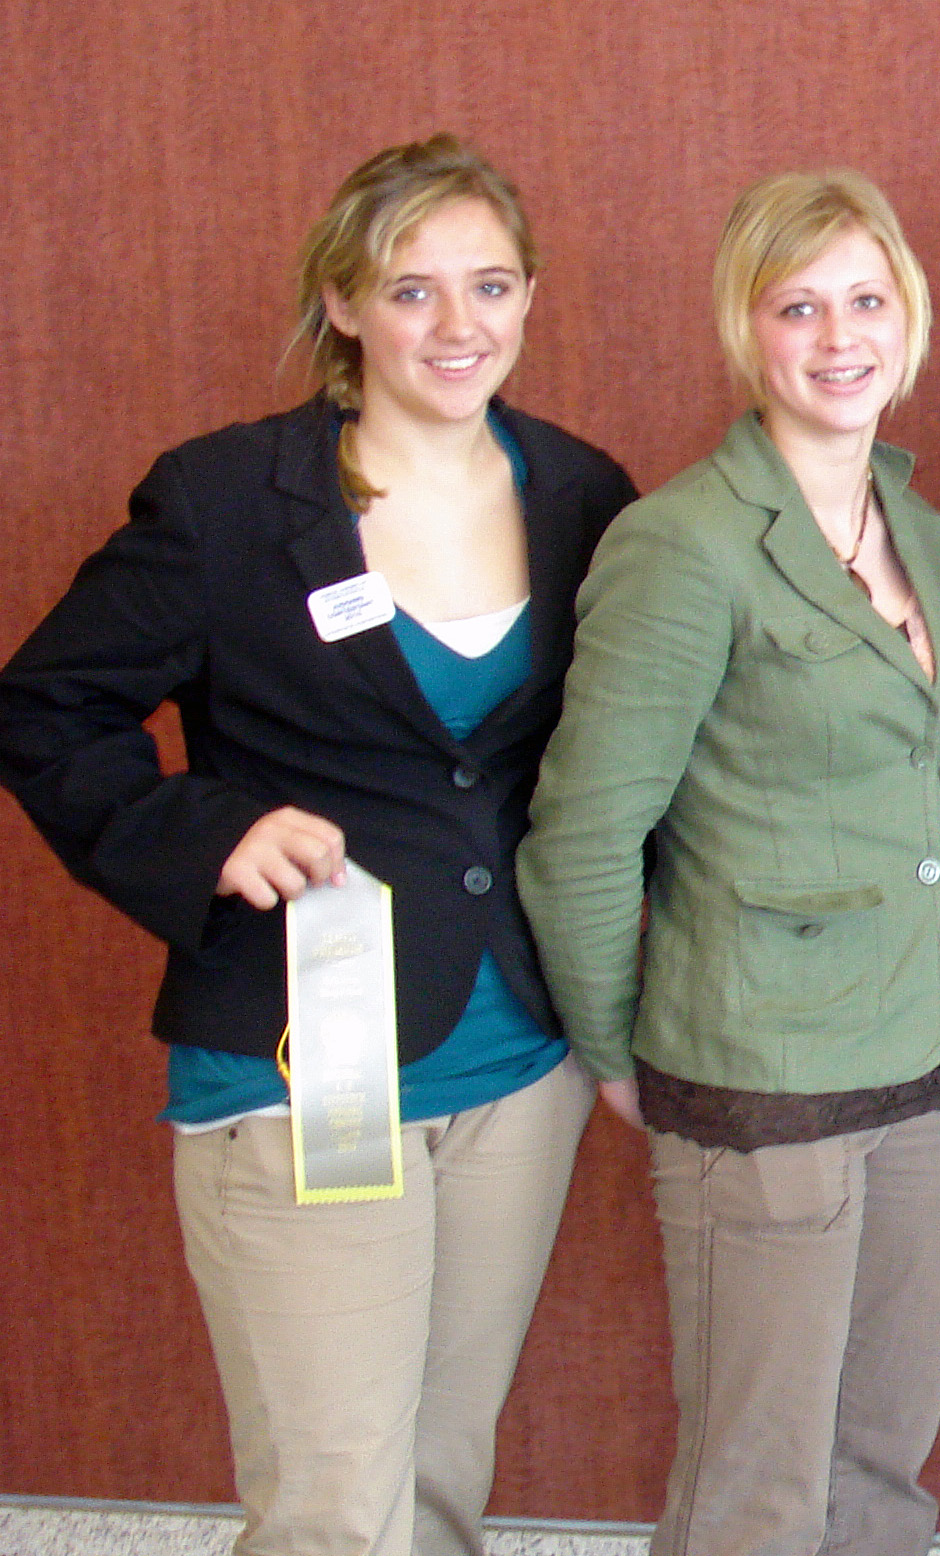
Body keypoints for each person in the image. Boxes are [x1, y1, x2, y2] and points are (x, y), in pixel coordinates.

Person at [0, 136, 633, 1556]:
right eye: (412, 291)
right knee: (337, 1509)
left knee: (439, 1482)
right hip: (303, 1063)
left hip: (516, 1064)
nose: (457, 327)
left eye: (489, 285)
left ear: (530, 298)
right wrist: (207, 826)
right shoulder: (230, 502)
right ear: (342, 305)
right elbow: (45, 710)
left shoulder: (585, 498)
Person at [513, 171, 940, 1556]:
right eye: (799, 306)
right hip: (761, 1073)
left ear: (908, 317)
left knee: (884, 1467)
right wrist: (615, 1054)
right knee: (757, 1488)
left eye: (866, 299)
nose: (840, 336)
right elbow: (584, 836)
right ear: (745, 330)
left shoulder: (919, 526)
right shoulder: (684, 543)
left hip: (920, 1051)